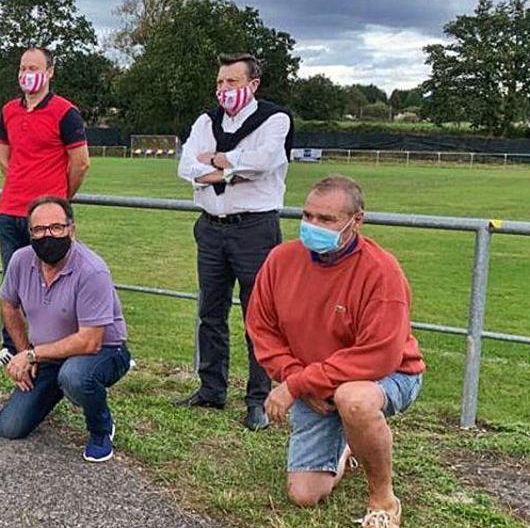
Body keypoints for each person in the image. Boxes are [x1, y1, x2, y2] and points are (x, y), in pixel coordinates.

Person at [248, 175, 425, 527]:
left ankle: (383, 499)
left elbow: (378, 356)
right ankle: (349, 443)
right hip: (314, 379)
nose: (313, 225)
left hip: (389, 375)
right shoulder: (280, 260)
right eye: (307, 215)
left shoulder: (381, 272)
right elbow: (262, 329)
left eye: (326, 219)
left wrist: (299, 386)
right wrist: (299, 379)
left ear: (356, 220)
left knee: (353, 400)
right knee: (304, 495)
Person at [175, 53, 293, 431]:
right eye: (221, 82)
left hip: (254, 229)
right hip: (211, 227)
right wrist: (230, 170)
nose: (223, 89)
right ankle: (211, 389)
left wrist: (218, 161)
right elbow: (185, 166)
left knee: (257, 316)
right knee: (210, 312)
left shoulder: (275, 119)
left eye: (232, 82)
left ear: (253, 84)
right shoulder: (206, 120)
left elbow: (263, 162)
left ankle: (258, 399)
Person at [0, 196, 131, 463]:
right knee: (9, 427)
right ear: (30, 233)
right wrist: (25, 354)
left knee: (76, 377)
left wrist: (33, 355)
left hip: (103, 351)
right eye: (39, 230)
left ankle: (101, 429)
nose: (48, 236)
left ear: (71, 229)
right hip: (48, 355)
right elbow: (9, 305)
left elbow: (91, 341)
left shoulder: (92, 271)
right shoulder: (21, 261)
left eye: (56, 228)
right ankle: (52, 390)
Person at [0, 46, 91, 370]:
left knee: (57, 283)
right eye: (22, 67)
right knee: (12, 284)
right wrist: (19, 179)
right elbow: (3, 155)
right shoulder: (9, 111)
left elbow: (81, 163)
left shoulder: (65, 112)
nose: (26, 73)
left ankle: (56, 349)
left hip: (47, 220)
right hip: (10, 211)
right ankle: (12, 346)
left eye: (34, 66)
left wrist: (58, 199)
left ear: (50, 71)